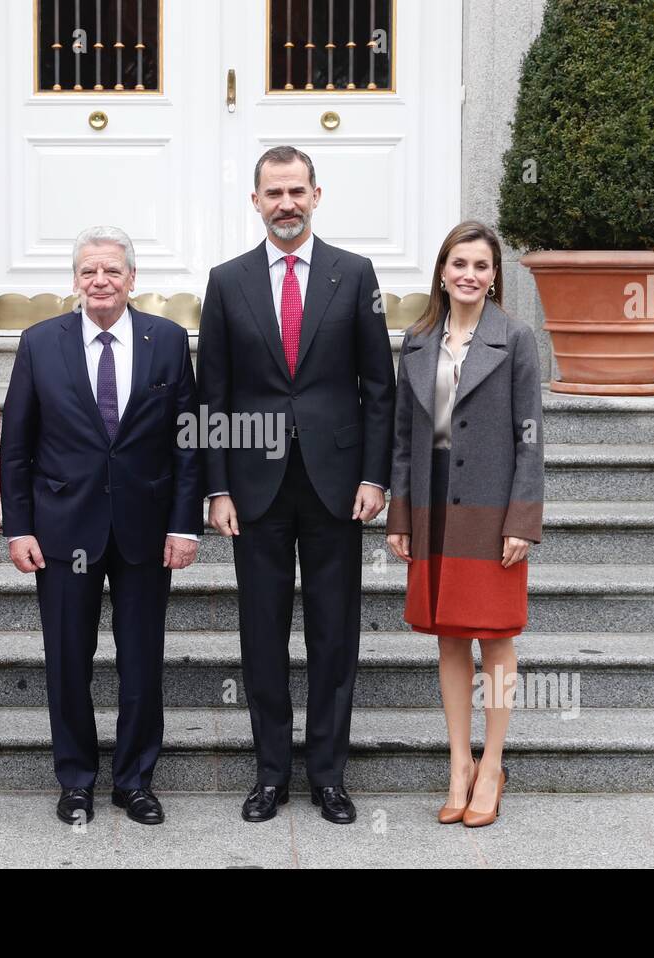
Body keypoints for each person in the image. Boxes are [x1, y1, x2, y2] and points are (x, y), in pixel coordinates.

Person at [197, 146, 395, 824]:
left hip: (338, 485)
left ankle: (329, 777)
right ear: (255, 201)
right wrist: (216, 488)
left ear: (317, 195)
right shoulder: (227, 282)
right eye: (273, 192)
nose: (286, 203)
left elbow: (380, 387)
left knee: (335, 635)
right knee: (262, 634)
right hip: (254, 488)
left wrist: (376, 475)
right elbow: (212, 395)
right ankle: (271, 775)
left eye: (296, 191)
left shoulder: (354, 273)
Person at [0, 226, 202, 826]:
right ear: (75, 281)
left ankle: (135, 780)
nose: (100, 281)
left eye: (112, 270)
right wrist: (19, 527)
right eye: (89, 271)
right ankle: (77, 780)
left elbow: (187, 441)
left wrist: (185, 525)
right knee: (68, 659)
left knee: (142, 660)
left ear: (132, 278)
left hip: (145, 528)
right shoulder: (40, 343)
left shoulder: (166, 340)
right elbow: (16, 445)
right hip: (63, 530)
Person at [386, 220, 544, 828]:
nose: (469, 275)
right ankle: (459, 764)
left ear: (494, 275)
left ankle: (494, 762)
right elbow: (403, 439)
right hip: (431, 501)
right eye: (459, 264)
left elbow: (530, 438)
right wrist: (400, 514)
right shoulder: (419, 341)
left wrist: (522, 520)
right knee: (449, 635)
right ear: (442, 272)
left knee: (496, 636)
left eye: (481, 265)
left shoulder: (516, 339)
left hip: (491, 504)